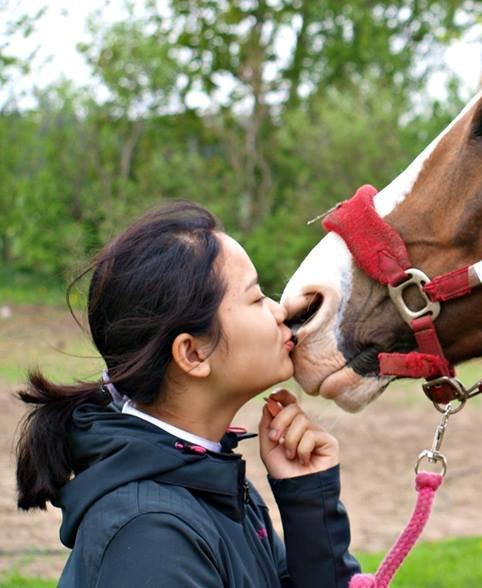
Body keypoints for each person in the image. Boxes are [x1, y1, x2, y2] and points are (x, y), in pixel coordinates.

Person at [15, 201, 360, 587]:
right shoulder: (151, 535)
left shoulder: (217, 488)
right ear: (193, 354)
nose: (281, 311)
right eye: (257, 297)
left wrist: (309, 503)